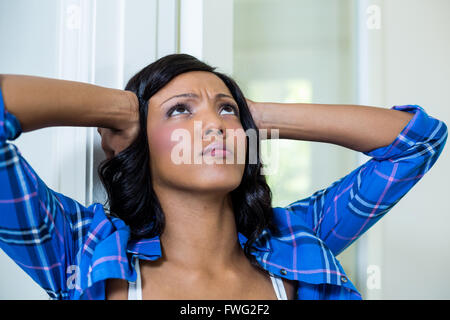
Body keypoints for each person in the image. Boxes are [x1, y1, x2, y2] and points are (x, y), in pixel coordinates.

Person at [0, 54, 447, 300]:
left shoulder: (299, 240)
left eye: (226, 111)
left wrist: (249, 114)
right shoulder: (80, 250)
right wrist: (120, 110)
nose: (214, 125)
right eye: (180, 110)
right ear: (134, 139)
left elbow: (418, 143)